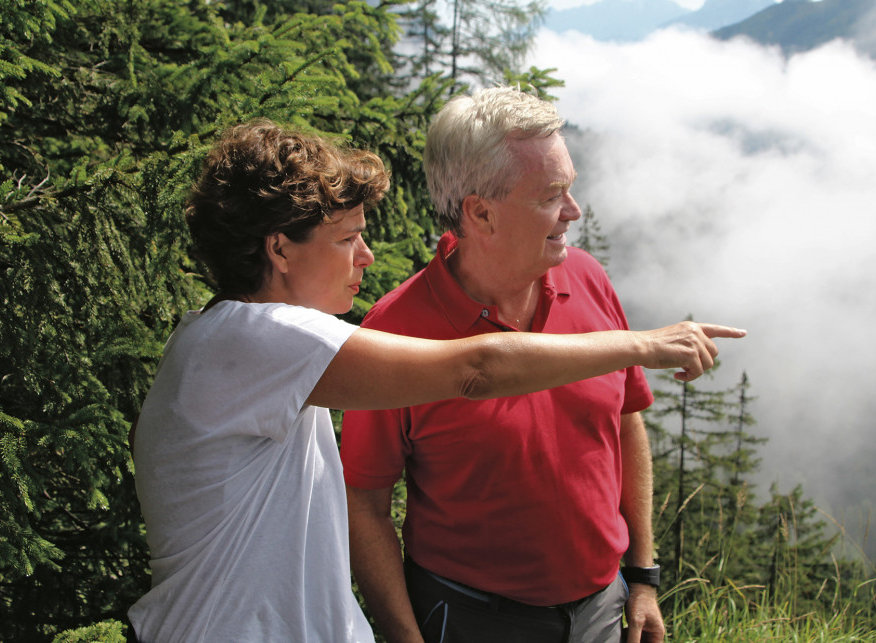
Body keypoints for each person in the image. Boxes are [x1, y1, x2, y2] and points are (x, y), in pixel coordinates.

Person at [126, 118, 743, 642]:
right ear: (280, 250)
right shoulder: (255, 340)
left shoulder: (225, 340)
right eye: (347, 239)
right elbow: (476, 368)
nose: (366, 256)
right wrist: (645, 344)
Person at [341, 86, 715, 643]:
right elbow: (363, 500)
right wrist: (404, 636)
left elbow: (623, 421)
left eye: (571, 188)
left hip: (602, 609)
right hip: (467, 618)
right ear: (481, 212)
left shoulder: (587, 278)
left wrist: (642, 578)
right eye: (551, 195)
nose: (574, 211)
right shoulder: (396, 332)